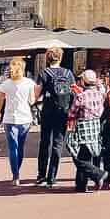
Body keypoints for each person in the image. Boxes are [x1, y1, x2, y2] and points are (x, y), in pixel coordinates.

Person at [34, 47, 75, 189]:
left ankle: (41, 175)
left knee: (45, 142)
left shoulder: (44, 73)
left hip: (48, 111)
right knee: (58, 144)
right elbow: (74, 92)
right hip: (63, 112)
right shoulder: (68, 73)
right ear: (60, 58)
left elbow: (36, 94)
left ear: (48, 58)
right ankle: (52, 177)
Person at [0, 57, 35, 186]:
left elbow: (0, 101)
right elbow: (32, 101)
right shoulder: (29, 83)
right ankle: (17, 170)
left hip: (10, 119)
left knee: (13, 148)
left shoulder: (5, 84)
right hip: (25, 119)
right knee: (21, 147)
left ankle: (15, 175)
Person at [66, 70, 107, 193]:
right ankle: (81, 184)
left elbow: (72, 112)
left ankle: (97, 174)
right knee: (86, 154)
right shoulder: (100, 94)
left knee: (78, 155)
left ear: (83, 81)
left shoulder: (81, 96)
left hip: (83, 126)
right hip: (95, 126)